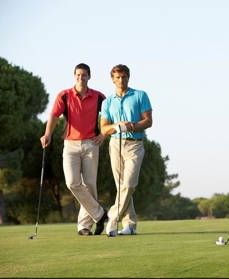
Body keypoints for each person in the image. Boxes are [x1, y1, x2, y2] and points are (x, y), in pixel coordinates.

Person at [40, 63, 108, 236]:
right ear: (74, 76)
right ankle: (99, 214)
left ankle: (84, 226)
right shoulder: (64, 95)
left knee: (90, 184)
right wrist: (47, 134)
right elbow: (54, 115)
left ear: (89, 77)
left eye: (84, 75)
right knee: (72, 183)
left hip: (91, 143)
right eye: (78, 75)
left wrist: (103, 135)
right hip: (70, 144)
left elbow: (110, 117)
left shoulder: (99, 97)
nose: (80, 78)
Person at [100, 64, 152, 237]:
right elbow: (103, 128)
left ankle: (112, 218)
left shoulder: (140, 95)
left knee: (129, 184)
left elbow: (148, 121)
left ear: (128, 77)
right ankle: (129, 225)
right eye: (117, 77)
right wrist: (116, 126)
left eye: (124, 77)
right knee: (121, 186)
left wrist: (134, 125)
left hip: (135, 144)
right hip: (115, 145)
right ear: (112, 79)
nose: (121, 80)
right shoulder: (107, 102)